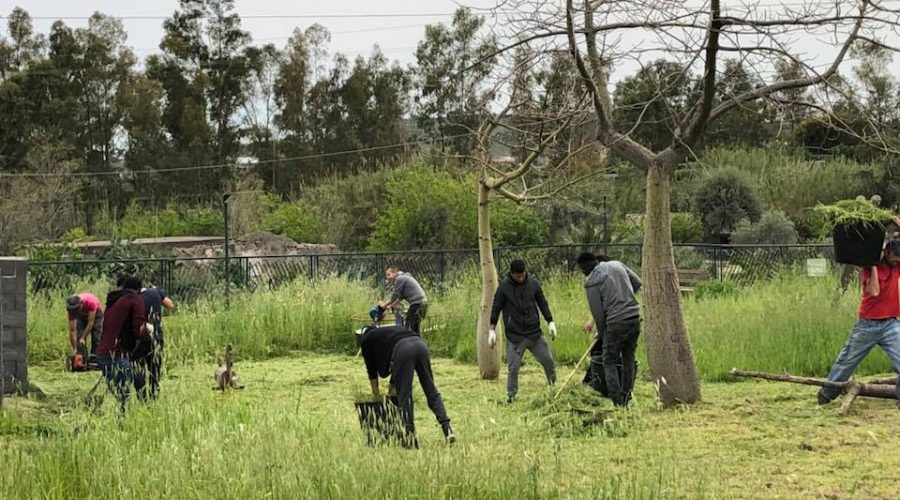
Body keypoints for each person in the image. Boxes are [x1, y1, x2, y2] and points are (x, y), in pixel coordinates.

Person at [818, 238, 900, 405]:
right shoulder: (868, 269)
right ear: (886, 251)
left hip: (890, 323)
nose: (898, 259)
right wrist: (873, 265)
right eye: (896, 255)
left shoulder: (897, 266)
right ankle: (826, 394)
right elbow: (874, 291)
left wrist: (894, 220)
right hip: (867, 325)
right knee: (846, 362)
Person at [357, 324, 455, 447]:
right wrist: (391, 389)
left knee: (405, 397)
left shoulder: (366, 341)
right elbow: (394, 368)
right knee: (431, 391)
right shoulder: (387, 334)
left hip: (403, 350)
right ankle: (448, 429)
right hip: (420, 345)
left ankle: (410, 438)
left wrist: (376, 398)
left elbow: (372, 374)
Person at [576, 252, 642, 407]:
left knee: (609, 360)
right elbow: (637, 282)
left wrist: (603, 335)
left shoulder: (592, 282)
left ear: (584, 267)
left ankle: (617, 401)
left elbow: (598, 314)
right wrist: (625, 296)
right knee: (628, 358)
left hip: (616, 322)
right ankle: (627, 397)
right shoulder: (617, 264)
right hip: (634, 317)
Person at [489, 259, 558, 404]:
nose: (520, 278)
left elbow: (542, 303)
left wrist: (550, 321)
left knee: (548, 361)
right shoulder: (504, 288)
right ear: (512, 274)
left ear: (525, 272)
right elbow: (496, 307)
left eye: (522, 275)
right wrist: (492, 329)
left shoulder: (533, 285)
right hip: (515, 336)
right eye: (517, 276)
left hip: (534, 333)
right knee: (513, 368)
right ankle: (511, 396)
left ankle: (554, 387)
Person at [96, 276, 149, 414]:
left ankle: (121, 418)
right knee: (125, 394)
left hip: (102, 353)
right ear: (138, 289)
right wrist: (148, 331)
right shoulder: (135, 299)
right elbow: (139, 329)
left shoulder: (112, 300)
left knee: (119, 394)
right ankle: (127, 419)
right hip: (119, 353)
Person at [133, 285, 175, 400]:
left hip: (139, 338)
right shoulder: (155, 291)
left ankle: (142, 399)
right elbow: (170, 305)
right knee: (155, 368)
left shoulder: (133, 298)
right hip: (156, 335)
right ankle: (154, 396)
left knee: (138, 368)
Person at [379, 266, 428, 334]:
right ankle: (416, 342)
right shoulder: (403, 278)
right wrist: (390, 306)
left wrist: (384, 305)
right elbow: (399, 298)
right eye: (386, 275)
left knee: (410, 327)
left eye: (388, 275)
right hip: (421, 303)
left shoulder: (399, 279)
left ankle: (413, 342)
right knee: (413, 327)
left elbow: (394, 296)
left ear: (394, 273)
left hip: (417, 303)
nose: (387, 277)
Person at [66, 292, 104, 364]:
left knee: (97, 335)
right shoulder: (72, 311)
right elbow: (72, 330)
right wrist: (74, 348)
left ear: (81, 304)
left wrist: (83, 337)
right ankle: (82, 360)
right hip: (81, 316)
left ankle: (95, 359)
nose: (73, 312)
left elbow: (90, 322)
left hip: (95, 314)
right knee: (79, 336)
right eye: (72, 310)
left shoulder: (91, 302)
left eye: (75, 309)